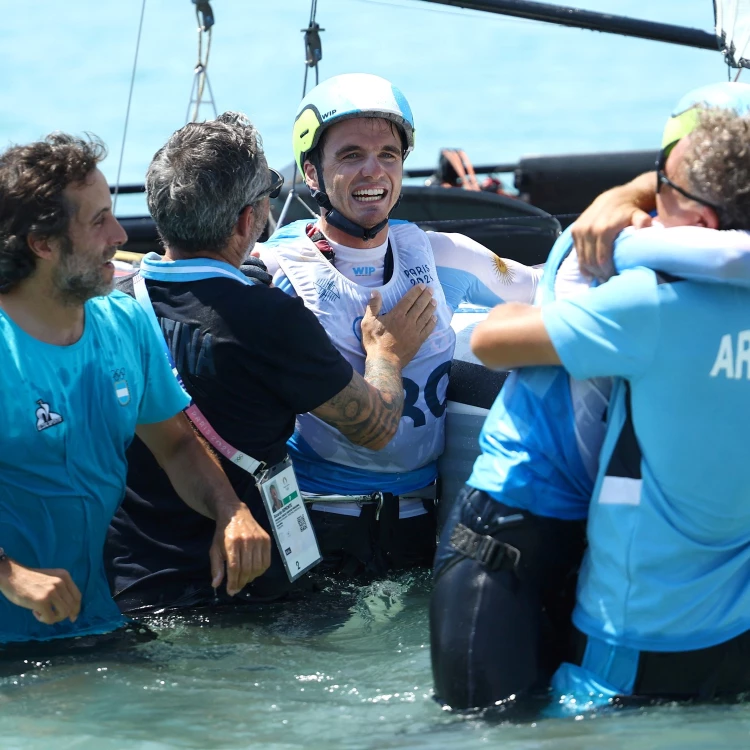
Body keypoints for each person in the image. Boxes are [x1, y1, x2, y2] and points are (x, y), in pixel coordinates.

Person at [430, 81, 750, 710]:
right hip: (536, 536)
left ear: (703, 220)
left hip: (565, 558)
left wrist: (624, 213)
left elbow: (493, 339)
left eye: (663, 191)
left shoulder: (633, 289)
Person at [106, 112, 436, 612]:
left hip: (128, 580)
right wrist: (386, 354)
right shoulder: (268, 317)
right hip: (241, 587)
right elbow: (376, 427)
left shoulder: (113, 303)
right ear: (248, 221)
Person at [258, 73, 544, 576]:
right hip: (316, 523)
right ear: (311, 173)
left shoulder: (443, 256)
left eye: (389, 154)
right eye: (351, 156)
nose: (374, 171)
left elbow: (546, 287)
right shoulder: (273, 272)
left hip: (420, 522)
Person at [0, 133, 270, 647]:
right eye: (98, 220)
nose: (120, 234)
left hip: (98, 621)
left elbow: (176, 444)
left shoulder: (125, 322)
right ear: (43, 243)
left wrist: (228, 510)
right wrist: (9, 574)